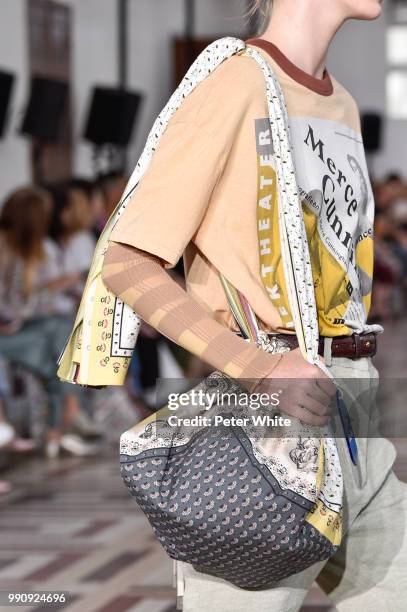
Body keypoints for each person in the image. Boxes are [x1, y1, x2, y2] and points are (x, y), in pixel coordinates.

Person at [101, 1, 407, 610]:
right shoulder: (235, 81)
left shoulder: (341, 104)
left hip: (353, 408)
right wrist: (259, 368)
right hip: (260, 425)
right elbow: (127, 262)